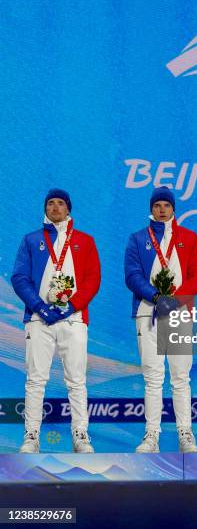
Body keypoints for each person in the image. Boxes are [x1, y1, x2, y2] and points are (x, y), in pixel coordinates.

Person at [11, 189, 101, 453]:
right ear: (45, 209)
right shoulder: (31, 240)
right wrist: (40, 307)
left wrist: (71, 306)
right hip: (39, 320)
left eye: (60, 203)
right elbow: (19, 278)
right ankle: (31, 436)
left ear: (68, 208)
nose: (55, 207)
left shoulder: (84, 241)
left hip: (73, 319)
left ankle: (80, 435)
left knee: (76, 379)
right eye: (50, 203)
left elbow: (93, 279)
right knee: (36, 379)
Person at [125, 186, 197, 453]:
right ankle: (152, 435)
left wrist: (175, 300)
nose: (162, 210)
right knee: (153, 377)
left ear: (173, 209)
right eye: (157, 205)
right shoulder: (138, 239)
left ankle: (185, 433)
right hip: (148, 312)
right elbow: (132, 276)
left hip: (180, 312)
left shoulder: (190, 238)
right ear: (151, 209)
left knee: (181, 377)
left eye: (166, 206)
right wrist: (156, 297)